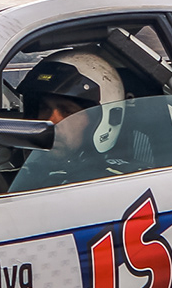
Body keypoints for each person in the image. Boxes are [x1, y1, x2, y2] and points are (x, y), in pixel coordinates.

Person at [8, 50, 130, 189]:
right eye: (44, 108)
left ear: (106, 120)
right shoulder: (27, 173)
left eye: (67, 111)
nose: (51, 121)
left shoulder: (120, 185)